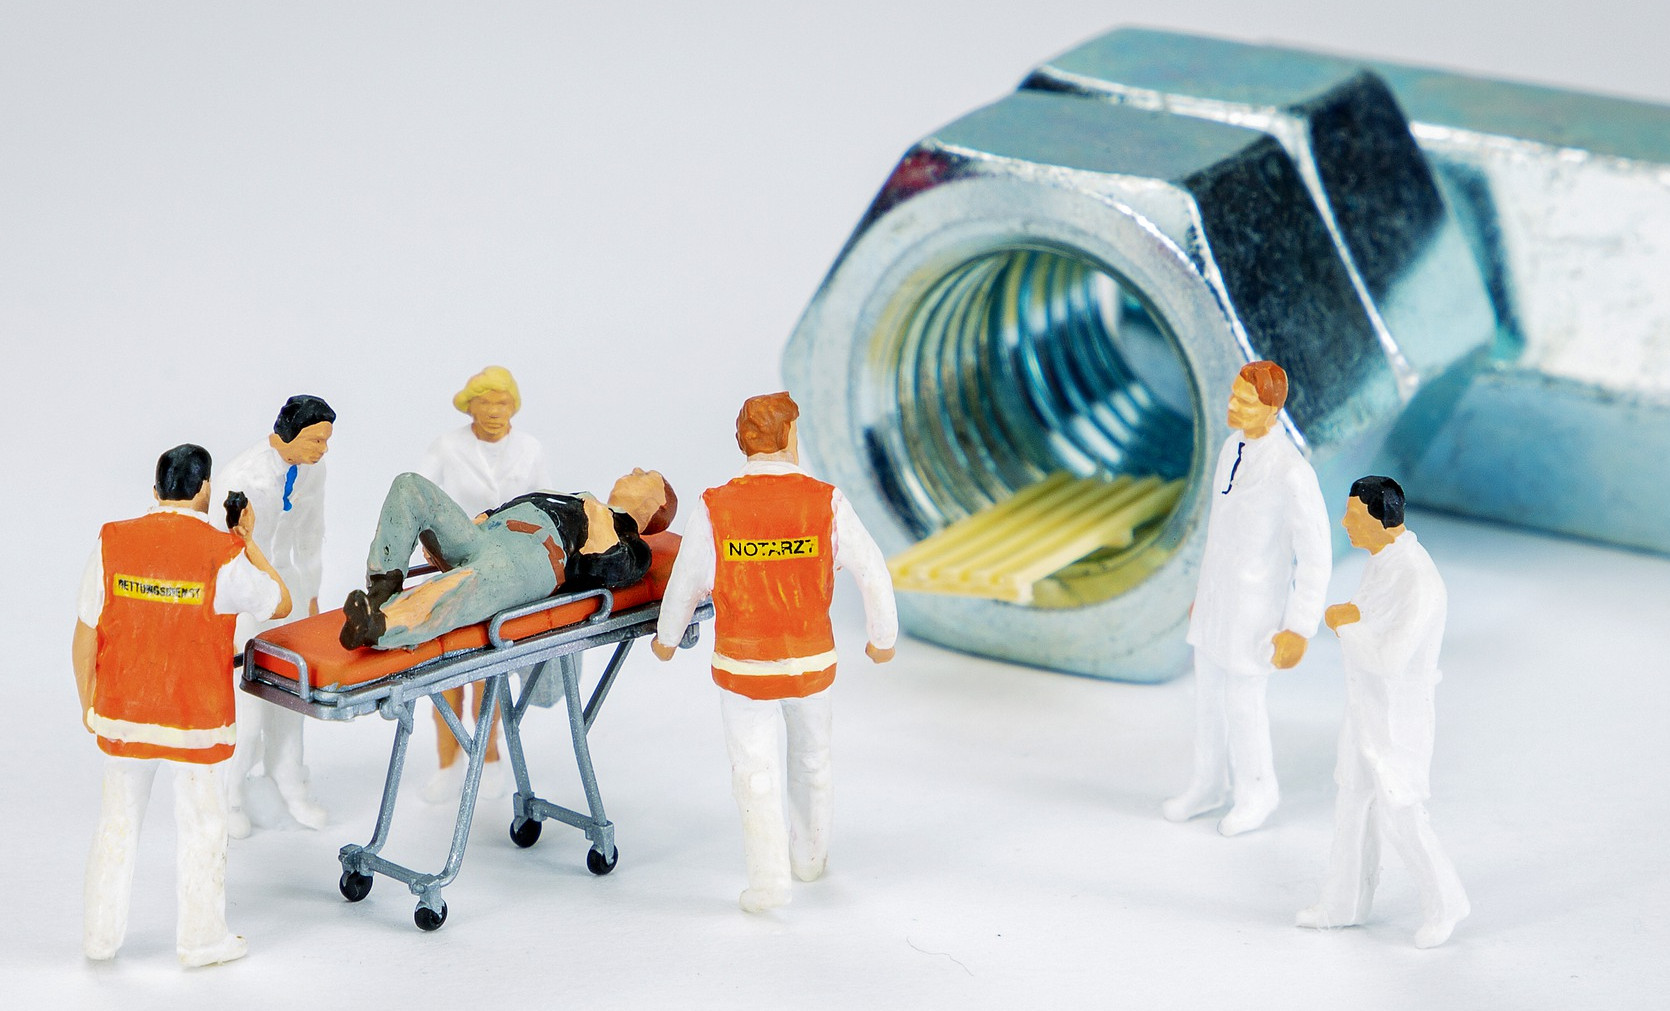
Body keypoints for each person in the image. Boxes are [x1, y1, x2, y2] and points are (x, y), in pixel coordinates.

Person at [651, 391, 898, 914]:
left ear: (744, 442)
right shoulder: (825, 500)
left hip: (743, 667)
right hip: (812, 661)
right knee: (813, 759)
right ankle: (809, 859)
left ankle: (768, 881)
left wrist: (667, 639)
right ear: (787, 437)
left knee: (753, 771)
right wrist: (882, 639)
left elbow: (685, 582)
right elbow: (873, 570)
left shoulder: (716, 505)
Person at [74, 444, 290, 967]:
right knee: (203, 826)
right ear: (206, 490)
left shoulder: (112, 540)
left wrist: (89, 705)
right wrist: (247, 541)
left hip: (123, 715)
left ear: (155, 491)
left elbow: (84, 636)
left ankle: (99, 938)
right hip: (197, 720)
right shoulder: (223, 553)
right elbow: (280, 603)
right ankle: (201, 939)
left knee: (116, 825)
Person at [1297, 476, 1470, 948]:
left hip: (1398, 718)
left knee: (1401, 814)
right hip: (1364, 709)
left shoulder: (1418, 579)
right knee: (1352, 805)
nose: (1345, 524)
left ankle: (1447, 902)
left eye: (1354, 516)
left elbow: (1391, 658)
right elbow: (1370, 617)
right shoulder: (1381, 563)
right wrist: (1353, 617)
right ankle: (1343, 905)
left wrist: (1346, 624)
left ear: (1382, 519)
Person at [1165, 361, 1331, 836]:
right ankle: (1208, 784)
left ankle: (1257, 793)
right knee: (1207, 701)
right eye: (1233, 395)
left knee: (1244, 706)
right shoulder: (1231, 449)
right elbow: (1220, 532)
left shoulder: (1292, 472)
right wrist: (1203, 595)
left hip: (1255, 616)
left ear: (1272, 408)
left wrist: (1298, 627)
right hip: (1217, 606)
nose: (1232, 405)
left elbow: (1315, 555)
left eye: (1244, 400)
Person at [339, 469, 675, 650]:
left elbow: (607, 568)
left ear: (654, 506)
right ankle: (381, 590)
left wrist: (600, 520)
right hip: (488, 533)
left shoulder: (632, 543)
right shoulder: (578, 497)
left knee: (461, 585)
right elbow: (521, 502)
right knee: (410, 487)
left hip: (532, 559)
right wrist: (485, 517)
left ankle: (379, 626)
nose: (636, 470)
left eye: (646, 474)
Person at [415, 366, 552, 801]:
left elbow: (546, 507)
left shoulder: (530, 449)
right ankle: (447, 764)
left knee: (490, 671)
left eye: (502, 403)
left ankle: (489, 757)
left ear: (514, 406)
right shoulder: (447, 446)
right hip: (455, 566)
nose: (494, 411)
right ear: (469, 406)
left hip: (509, 571)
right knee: (446, 670)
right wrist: (427, 538)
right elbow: (418, 495)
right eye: (485, 403)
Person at [216, 394, 335, 837]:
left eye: (326, 440)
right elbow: (221, 551)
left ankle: (288, 777)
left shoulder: (313, 471)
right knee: (247, 705)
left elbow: (311, 535)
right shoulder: (241, 477)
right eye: (316, 440)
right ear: (289, 434)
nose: (323, 449)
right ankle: (229, 792)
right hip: (246, 598)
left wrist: (312, 594)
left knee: (292, 692)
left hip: (291, 591)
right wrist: (226, 613)